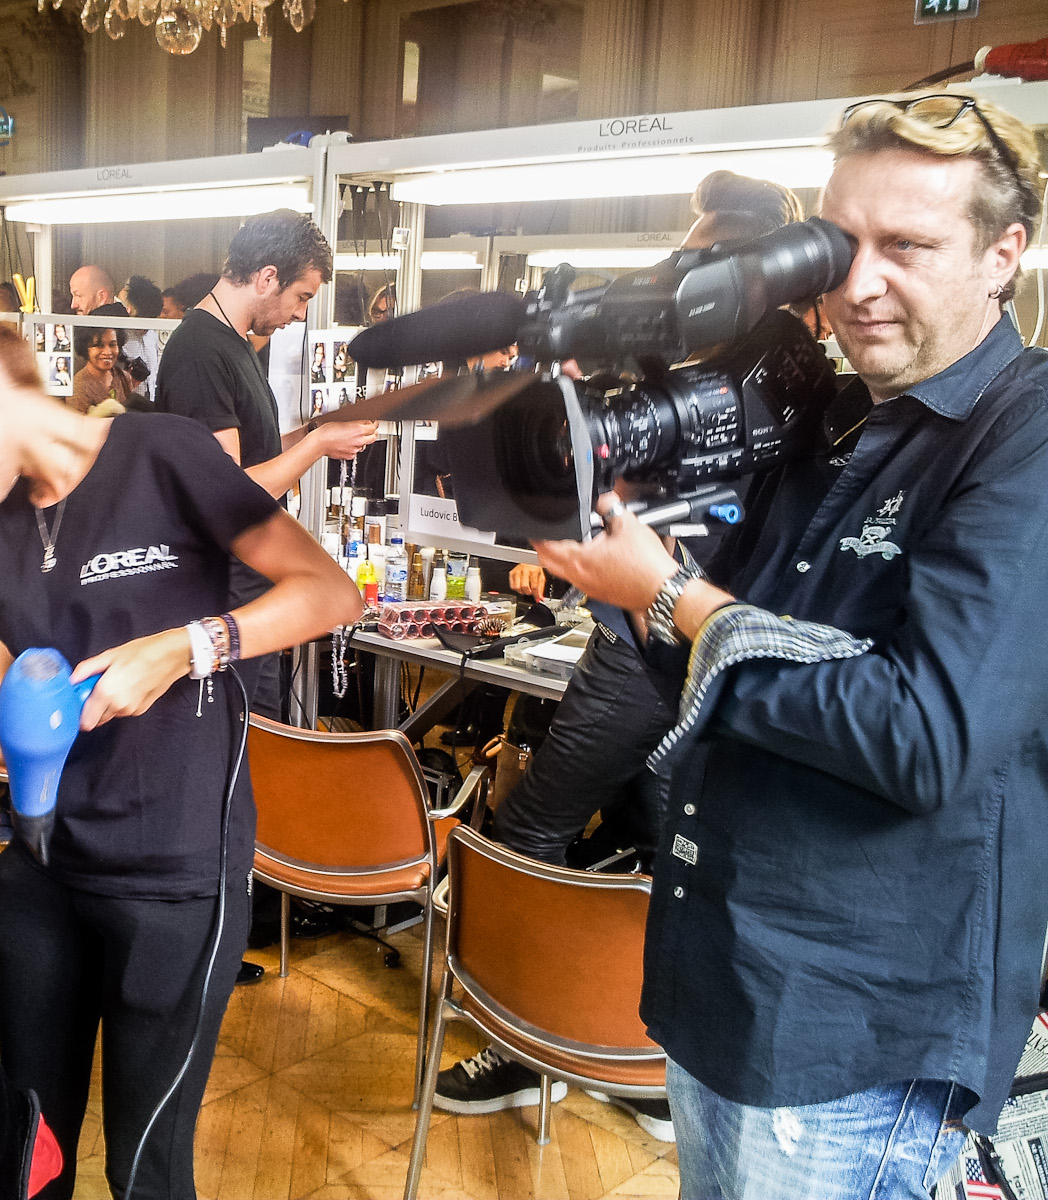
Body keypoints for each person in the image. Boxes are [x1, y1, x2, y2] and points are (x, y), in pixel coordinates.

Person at [530, 92, 1045, 1198]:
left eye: (906, 246)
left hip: (853, 1037)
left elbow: (921, 735)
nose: (856, 285)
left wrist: (671, 595)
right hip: (720, 983)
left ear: (1005, 252)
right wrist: (629, 552)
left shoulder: (1022, 439)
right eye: (836, 241)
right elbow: (699, 676)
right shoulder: (828, 420)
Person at [0, 231, 360, 1200]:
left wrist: (187, 648)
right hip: (43, 881)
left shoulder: (165, 455)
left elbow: (327, 594)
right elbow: (4, 730)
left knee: (146, 1174)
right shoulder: (1, 526)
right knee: (29, 1158)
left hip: (173, 885)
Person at [432, 172, 806, 1139]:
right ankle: (644, 1067)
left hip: (660, 652)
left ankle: (525, 1048)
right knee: (659, 851)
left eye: (708, 257)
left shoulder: (775, 382)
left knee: (526, 831)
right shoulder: (697, 366)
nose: (689, 276)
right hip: (666, 649)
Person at [154, 209, 376, 722]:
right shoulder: (200, 351)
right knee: (245, 734)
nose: (300, 315)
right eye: (301, 297)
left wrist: (318, 430)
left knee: (266, 727)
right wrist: (317, 446)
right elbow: (226, 490)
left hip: (253, 576)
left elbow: (257, 452)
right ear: (267, 276)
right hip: (225, 585)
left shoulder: (236, 346)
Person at [70, 325, 132, 414]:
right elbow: (79, 425)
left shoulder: (123, 378)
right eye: (99, 346)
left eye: (112, 345)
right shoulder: (78, 386)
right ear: (85, 348)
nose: (107, 352)